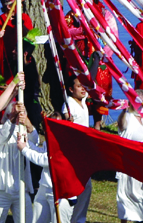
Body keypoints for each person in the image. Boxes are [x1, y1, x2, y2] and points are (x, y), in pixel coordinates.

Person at [0, 102, 33, 223]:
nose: (18, 117)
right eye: (15, 115)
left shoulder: (25, 132)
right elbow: (4, 136)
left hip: (21, 188)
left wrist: (28, 124)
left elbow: (35, 142)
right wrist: (12, 118)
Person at [116, 98, 143, 223]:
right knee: (126, 195)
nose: (140, 102)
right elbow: (121, 125)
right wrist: (123, 110)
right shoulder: (127, 116)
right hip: (131, 162)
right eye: (137, 99)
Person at [62, 74, 92, 223]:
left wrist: (97, 57)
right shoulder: (69, 103)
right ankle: (72, 217)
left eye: (83, 86)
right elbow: (66, 116)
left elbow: (90, 76)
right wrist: (68, 119)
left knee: (87, 186)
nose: (82, 88)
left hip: (84, 150)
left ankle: (79, 218)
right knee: (77, 186)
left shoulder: (82, 100)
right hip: (74, 150)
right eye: (79, 86)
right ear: (70, 89)